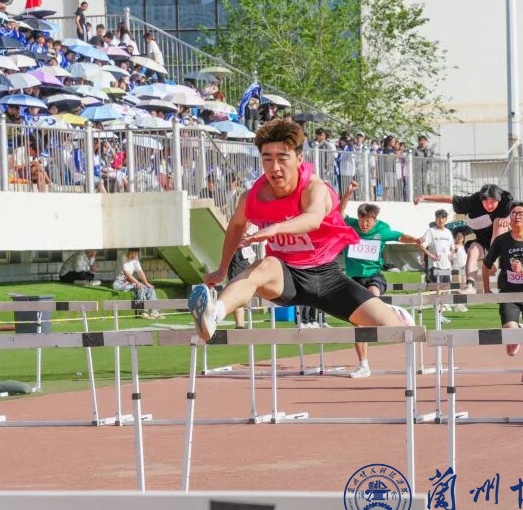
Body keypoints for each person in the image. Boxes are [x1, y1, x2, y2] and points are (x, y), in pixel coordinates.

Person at [187, 119, 412, 342]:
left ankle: (391, 313)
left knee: (394, 330)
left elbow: (312, 219)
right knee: (263, 266)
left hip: (327, 278)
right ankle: (213, 314)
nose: (274, 167)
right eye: (267, 159)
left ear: (299, 158)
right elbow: (236, 226)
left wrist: (276, 228)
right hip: (285, 276)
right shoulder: (252, 197)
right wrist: (222, 269)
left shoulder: (314, 188)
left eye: (282, 158)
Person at [339, 181, 424, 378]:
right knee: (357, 324)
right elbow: (339, 212)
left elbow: (400, 236)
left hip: (374, 277)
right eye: (362, 220)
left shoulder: (382, 230)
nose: (365, 224)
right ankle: (363, 365)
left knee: (371, 296)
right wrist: (348, 193)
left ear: (374, 220)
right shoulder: (351, 225)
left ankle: (391, 310)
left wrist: (416, 240)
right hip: (354, 279)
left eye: (369, 221)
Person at [481, 201, 523, 385]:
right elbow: (486, 265)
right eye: (514, 213)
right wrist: (486, 289)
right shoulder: (501, 241)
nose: (517, 216)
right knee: (511, 338)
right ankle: (516, 331)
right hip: (509, 295)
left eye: (522, 213)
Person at [414, 184, 512, 294]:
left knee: (498, 222)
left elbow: (521, 211)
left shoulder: (506, 199)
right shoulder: (472, 201)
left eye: (493, 202)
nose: (489, 206)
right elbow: (449, 199)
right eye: (486, 202)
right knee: (473, 249)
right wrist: (424, 197)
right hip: (483, 242)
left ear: (498, 199)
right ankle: (470, 285)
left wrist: (508, 218)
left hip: (503, 239)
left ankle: (494, 258)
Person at [113, 249, 160, 318]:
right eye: (133, 254)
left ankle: (154, 312)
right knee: (140, 287)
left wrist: (146, 283)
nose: (135, 256)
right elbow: (127, 274)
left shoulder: (135, 259)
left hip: (129, 282)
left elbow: (140, 272)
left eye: (136, 254)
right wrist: (138, 283)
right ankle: (141, 312)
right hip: (119, 283)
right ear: (129, 252)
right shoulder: (123, 257)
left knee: (150, 288)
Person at [421, 209, 454, 286]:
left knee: (446, 289)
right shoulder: (430, 231)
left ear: (446, 219)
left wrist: (451, 253)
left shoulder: (448, 232)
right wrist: (430, 255)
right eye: (438, 218)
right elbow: (422, 246)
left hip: (447, 266)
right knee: (436, 289)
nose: (440, 220)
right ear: (435, 219)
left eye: (443, 218)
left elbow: (452, 248)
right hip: (435, 266)